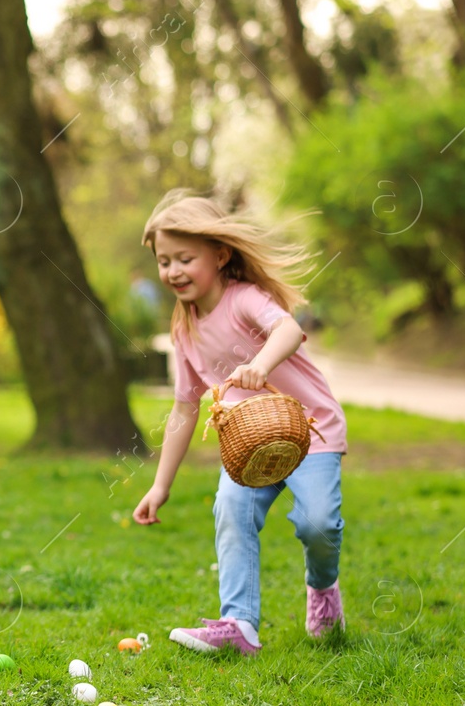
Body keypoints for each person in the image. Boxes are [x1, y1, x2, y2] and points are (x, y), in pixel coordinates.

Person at [131, 191, 347, 654]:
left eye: (185, 258)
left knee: (318, 526)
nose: (172, 271)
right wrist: (160, 485)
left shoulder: (245, 298)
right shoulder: (183, 329)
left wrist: (261, 366)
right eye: (164, 261)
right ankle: (239, 624)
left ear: (221, 254)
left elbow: (288, 329)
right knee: (232, 510)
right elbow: (184, 408)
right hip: (248, 448)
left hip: (312, 430)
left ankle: (323, 588)